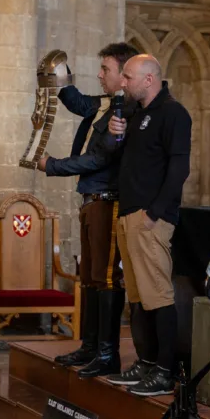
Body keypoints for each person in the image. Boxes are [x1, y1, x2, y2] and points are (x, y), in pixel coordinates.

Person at [39, 42, 140, 378]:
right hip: (90, 199)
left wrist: (53, 165)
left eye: (106, 70)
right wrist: (61, 76)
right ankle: (89, 346)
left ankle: (108, 354)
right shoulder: (106, 105)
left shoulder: (125, 113)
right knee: (90, 277)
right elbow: (78, 102)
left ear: (124, 76)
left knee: (108, 277)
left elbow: (100, 158)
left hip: (108, 200)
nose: (100, 75)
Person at [106, 54, 192, 397]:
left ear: (149, 79)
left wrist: (154, 213)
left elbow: (178, 169)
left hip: (150, 219)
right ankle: (146, 361)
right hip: (129, 215)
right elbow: (118, 159)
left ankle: (164, 370)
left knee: (158, 294)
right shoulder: (138, 114)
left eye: (127, 76)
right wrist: (116, 136)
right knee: (138, 296)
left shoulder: (174, 114)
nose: (122, 82)